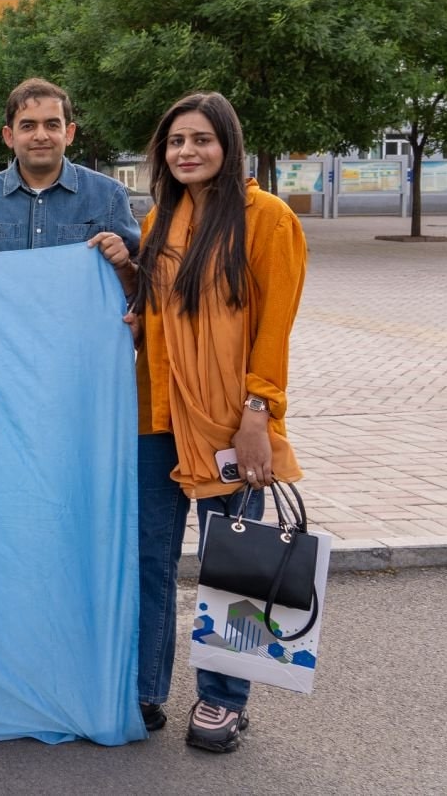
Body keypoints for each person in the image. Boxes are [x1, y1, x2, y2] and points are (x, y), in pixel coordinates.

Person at [126, 91, 307, 753]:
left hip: (230, 420)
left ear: (228, 146)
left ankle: (224, 699)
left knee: (234, 564)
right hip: (156, 415)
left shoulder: (269, 219)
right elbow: (155, 318)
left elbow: (274, 329)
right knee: (148, 558)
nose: (187, 151)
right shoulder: (159, 220)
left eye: (201, 139)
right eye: (176, 141)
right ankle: (144, 688)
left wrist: (259, 413)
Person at [0, 78, 140, 291]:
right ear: (9, 136)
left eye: (52, 125)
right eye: (28, 126)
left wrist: (124, 264)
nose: (41, 136)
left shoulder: (109, 196)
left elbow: (140, 288)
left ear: (69, 133)